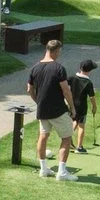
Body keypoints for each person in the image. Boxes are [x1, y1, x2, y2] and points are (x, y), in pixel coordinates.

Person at [25, 37, 75, 180]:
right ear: (56, 50)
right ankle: (62, 172)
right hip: (58, 110)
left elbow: (29, 89)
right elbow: (66, 90)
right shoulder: (59, 68)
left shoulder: (35, 67)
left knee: (43, 136)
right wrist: (72, 107)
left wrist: (38, 101)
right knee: (66, 138)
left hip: (43, 111)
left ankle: (43, 169)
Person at [67, 58, 99, 153]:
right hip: (82, 106)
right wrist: (94, 107)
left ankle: (67, 140)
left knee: (74, 121)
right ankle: (79, 147)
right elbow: (91, 97)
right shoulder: (88, 82)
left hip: (72, 104)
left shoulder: (72, 77)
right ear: (90, 70)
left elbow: (65, 85)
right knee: (81, 126)